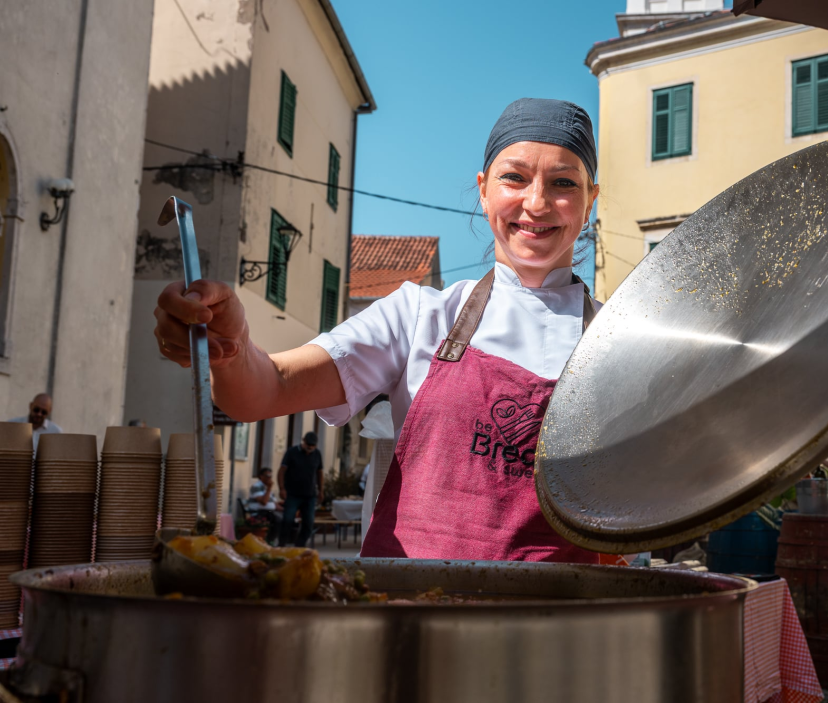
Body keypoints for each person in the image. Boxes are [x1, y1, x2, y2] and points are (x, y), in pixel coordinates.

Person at [153, 98, 602, 563]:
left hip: (569, 604)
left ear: (590, 201)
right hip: (415, 600)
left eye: (564, 183)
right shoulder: (419, 315)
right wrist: (229, 349)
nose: (536, 202)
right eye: (514, 177)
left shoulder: (621, 342)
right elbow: (267, 388)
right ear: (484, 190)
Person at [277, 432, 323, 547]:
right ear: (303, 441)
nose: (310, 447)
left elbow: (320, 473)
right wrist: (282, 488)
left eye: (312, 445)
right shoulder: (292, 452)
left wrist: (321, 490)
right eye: (308, 444)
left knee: (308, 523)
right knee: (288, 520)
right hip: (292, 494)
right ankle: (281, 544)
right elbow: (282, 471)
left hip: (310, 495)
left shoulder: (317, 454)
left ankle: (299, 546)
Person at [247, 466, 283, 545]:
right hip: (259, 512)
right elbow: (264, 502)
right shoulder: (256, 486)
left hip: (269, 511)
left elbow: (274, 503)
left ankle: (271, 540)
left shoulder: (266, 487)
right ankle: (269, 541)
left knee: (284, 518)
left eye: (270, 476)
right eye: (267, 476)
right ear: (261, 476)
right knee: (278, 520)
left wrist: (284, 509)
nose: (269, 478)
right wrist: (269, 488)